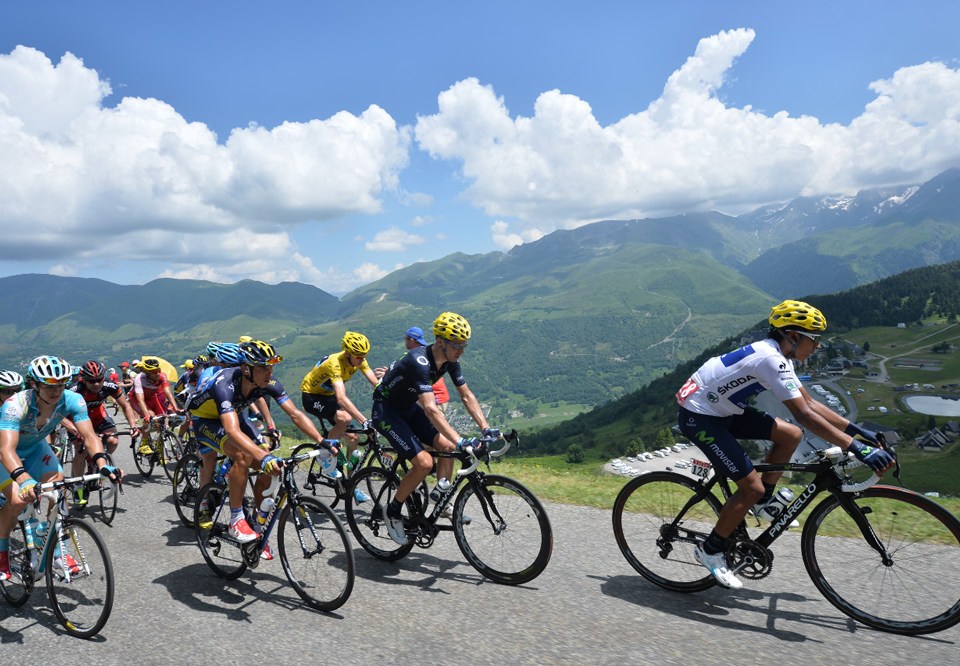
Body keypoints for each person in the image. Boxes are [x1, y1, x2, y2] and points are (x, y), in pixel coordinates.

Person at [675, 299, 896, 590]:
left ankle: (764, 500)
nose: (817, 346)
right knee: (749, 488)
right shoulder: (770, 359)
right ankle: (711, 549)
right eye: (814, 339)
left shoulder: (779, 355)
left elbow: (811, 402)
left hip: (723, 410)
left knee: (790, 435)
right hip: (700, 417)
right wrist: (857, 448)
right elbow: (803, 414)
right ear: (793, 336)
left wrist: (858, 431)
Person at [187, 340, 340, 555]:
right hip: (205, 420)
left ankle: (257, 526)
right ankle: (236, 518)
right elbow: (231, 430)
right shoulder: (224, 384)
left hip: (232, 416)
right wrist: (260, 455)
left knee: (271, 465)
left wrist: (320, 440)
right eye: (262, 367)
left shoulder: (268, 382)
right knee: (243, 455)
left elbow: (295, 414)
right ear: (245, 369)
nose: (269, 372)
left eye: (271, 365)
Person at [373, 312, 496, 544]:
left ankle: (442, 499)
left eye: (464, 345)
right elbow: (430, 409)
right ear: (440, 342)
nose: (461, 350)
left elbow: (466, 395)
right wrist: (462, 441)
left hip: (408, 408)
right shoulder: (418, 361)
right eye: (457, 345)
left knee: (447, 447)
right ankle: (392, 510)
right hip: (386, 411)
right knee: (424, 462)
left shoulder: (451, 362)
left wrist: (485, 428)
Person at [0, 356, 122, 580]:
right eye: (49, 386)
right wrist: (24, 479)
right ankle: (2, 552)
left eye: (60, 385)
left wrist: (103, 464)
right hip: (5, 454)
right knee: (17, 500)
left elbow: (88, 435)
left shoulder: (73, 399)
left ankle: (57, 551)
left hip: (36, 449)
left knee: (58, 489)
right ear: (34, 385)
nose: (56, 391)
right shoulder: (15, 405)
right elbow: (7, 450)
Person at [301, 331, 380, 502]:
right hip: (311, 396)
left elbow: (374, 381)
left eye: (364, 356)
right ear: (347, 352)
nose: (362, 359)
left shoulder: (359, 359)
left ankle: (350, 483)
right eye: (358, 357)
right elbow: (341, 398)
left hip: (327, 397)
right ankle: (325, 453)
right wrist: (364, 420)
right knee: (344, 418)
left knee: (353, 438)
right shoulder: (334, 363)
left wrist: (389, 395)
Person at [68, 360, 139, 505]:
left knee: (113, 440)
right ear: (84, 380)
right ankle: (78, 486)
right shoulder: (73, 390)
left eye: (99, 380)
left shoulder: (109, 386)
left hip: (99, 417)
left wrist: (133, 426)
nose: (96, 384)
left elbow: (125, 406)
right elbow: (60, 413)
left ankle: (99, 463)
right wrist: (74, 429)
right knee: (81, 451)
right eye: (92, 381)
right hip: (76, 421)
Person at [130, 356, 181, 455]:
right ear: (148, 373)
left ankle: (159, 451)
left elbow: (168, 393)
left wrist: (176, 409)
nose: (158, 373)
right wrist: (147, 415)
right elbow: (140, 400)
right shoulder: (139, 379)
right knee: (150, 415)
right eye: (154, 371)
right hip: (138, 399)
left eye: (158, 370)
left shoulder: (162, 376)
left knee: (160, 421)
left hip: (153, 397)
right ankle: (144, 443)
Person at [404, 326, 450, 412]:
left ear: (412, 339)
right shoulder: (426, 352)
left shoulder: (418, 357)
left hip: (435, 399)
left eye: (406, 338)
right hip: (436, 397)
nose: (405, 340)